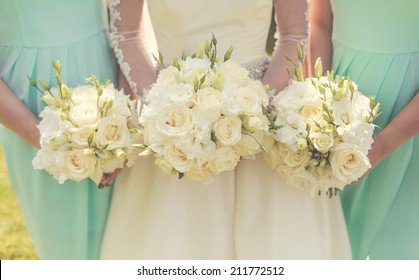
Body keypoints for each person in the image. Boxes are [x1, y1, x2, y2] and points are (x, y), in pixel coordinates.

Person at [100, 0, 351, 259]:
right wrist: (165, 111)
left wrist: (256, 113)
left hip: (263, 122)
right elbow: (127, 34)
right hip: (173, 133)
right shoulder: (168, 116)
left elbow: (293, 35)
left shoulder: (260, 111)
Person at [0, 0, 116, 259]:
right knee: (65, 248)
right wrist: (48, 140)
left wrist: (124, 116)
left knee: (122, 235)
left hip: (104, 74)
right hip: (33, 99)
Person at [309, 0, 419, 259]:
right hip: (341, 106)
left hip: (409, 121)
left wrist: (382, 145)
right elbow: (320, 24)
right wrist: (320, 110)